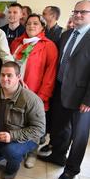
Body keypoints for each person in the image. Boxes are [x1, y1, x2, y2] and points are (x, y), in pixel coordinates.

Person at [38, 0, 90, 179]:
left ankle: (71, 169)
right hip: (61, 88)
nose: (78, 15)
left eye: (83, 12)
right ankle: (58, 156)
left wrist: (88, 100)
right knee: (60, 127)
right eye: (76, 11)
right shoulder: (67, 35)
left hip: (82, 97)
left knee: (79, 136)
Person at [10, 14, 58, 168]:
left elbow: (50, 73)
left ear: (42, 27)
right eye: (29, 23)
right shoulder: (17, 42)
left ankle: (32, 152)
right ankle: (18, 148)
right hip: (15, 90)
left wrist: (42, 96)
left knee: (34, 123)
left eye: (35, 23)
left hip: (35, 92)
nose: (31, 26)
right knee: (18, 120)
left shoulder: (48, 45)